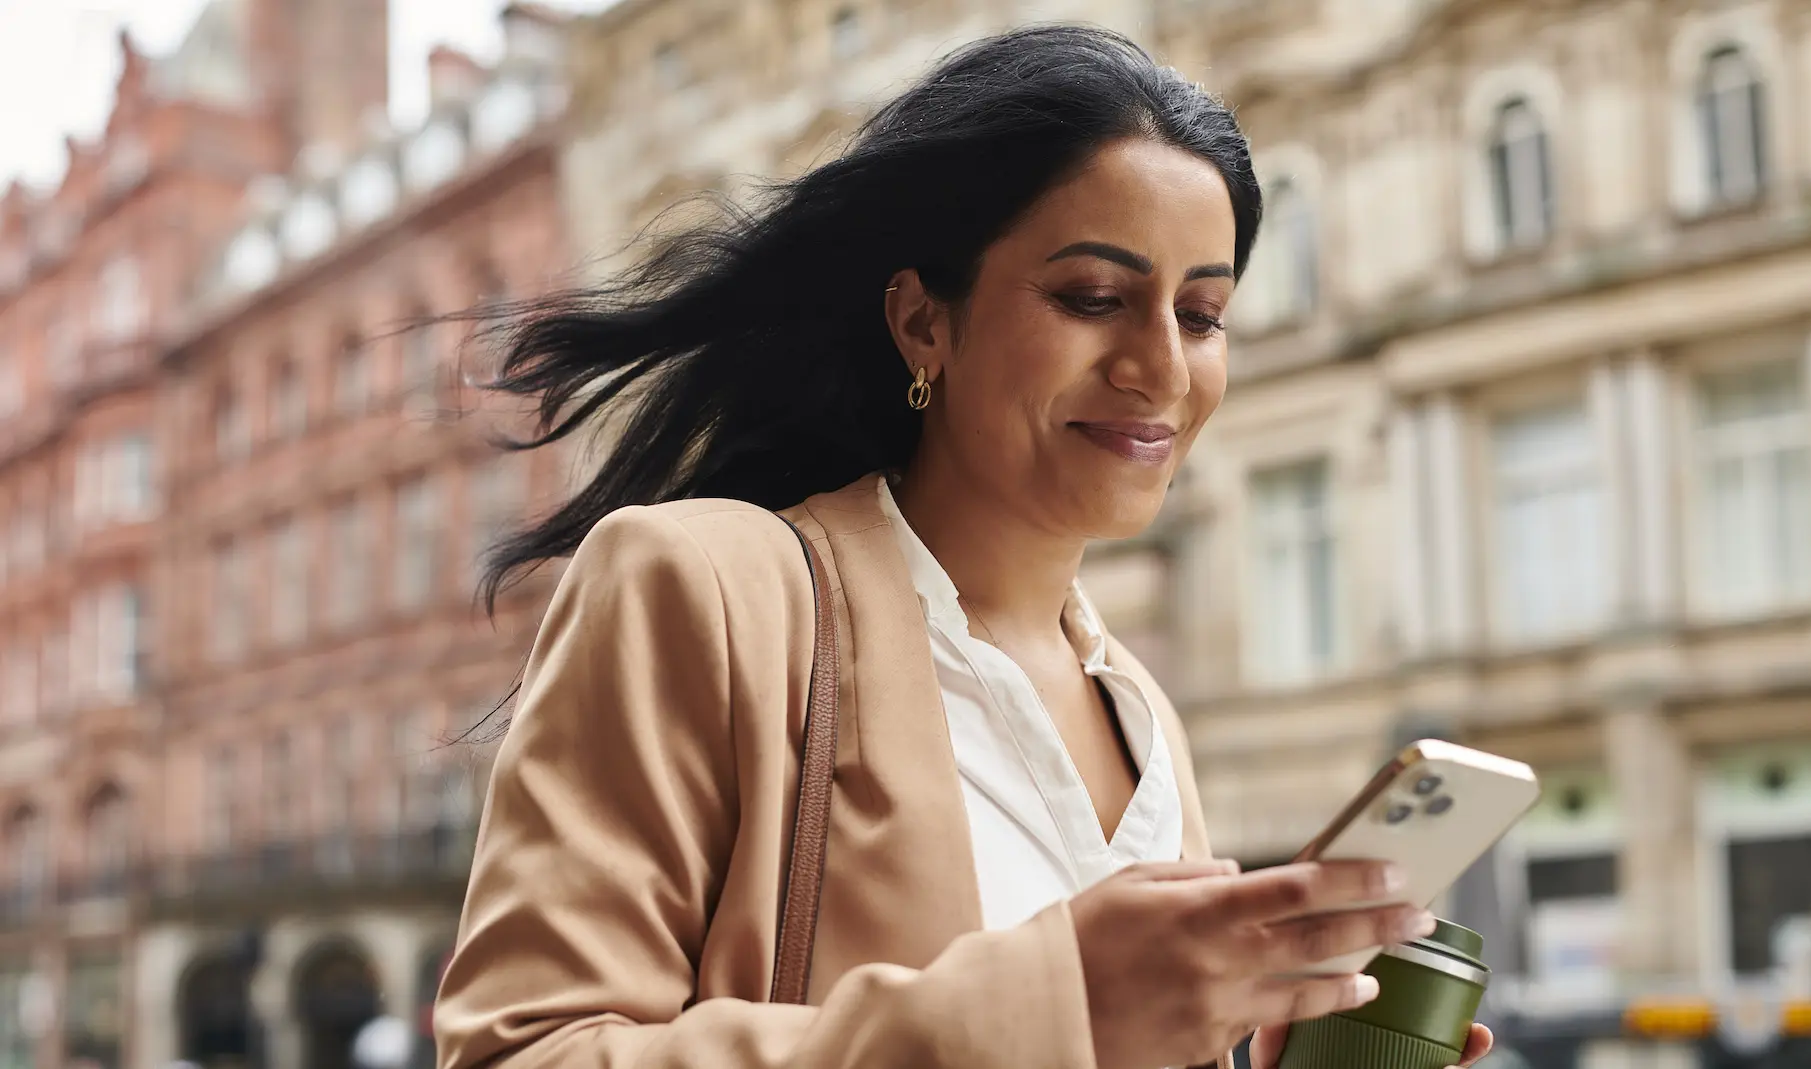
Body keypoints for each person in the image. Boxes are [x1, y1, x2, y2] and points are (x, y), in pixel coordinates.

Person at [433, 24, 1496, 1069]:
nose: (1163, 368)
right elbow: (526, 1050)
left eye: (1202, 312)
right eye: (1093, 298)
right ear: (922, 322)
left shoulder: (1142, 714)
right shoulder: (703, 587)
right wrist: (1055, 1008)